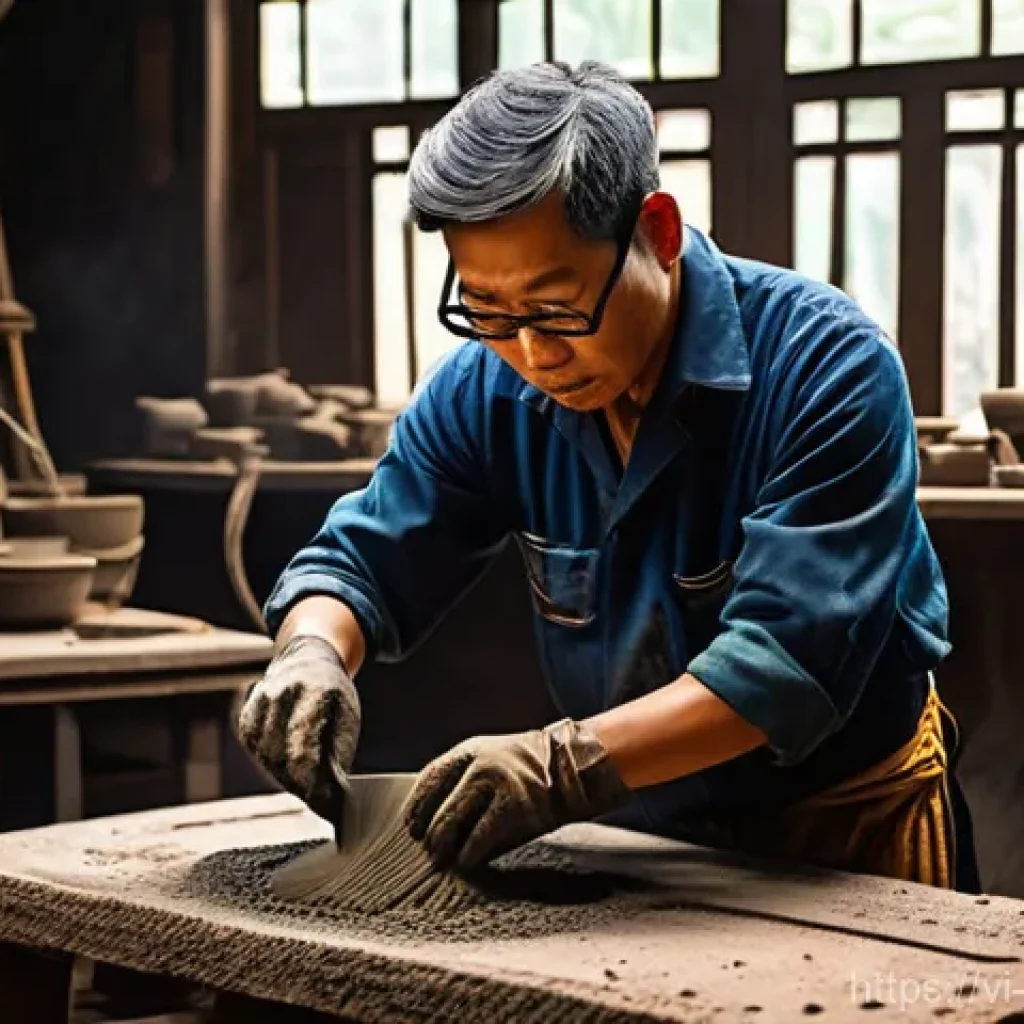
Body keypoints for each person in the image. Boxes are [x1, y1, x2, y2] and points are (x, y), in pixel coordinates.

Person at [239, 60, 980, 892]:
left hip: (842, 831)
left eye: (558, 309)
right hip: (638, 837)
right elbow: (364, 559)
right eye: (487, 311)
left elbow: (783, 664)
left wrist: (561, 766)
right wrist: (312, 649)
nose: (532, 353)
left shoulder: (829, 367)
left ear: (657, 233)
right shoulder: (486, 387)